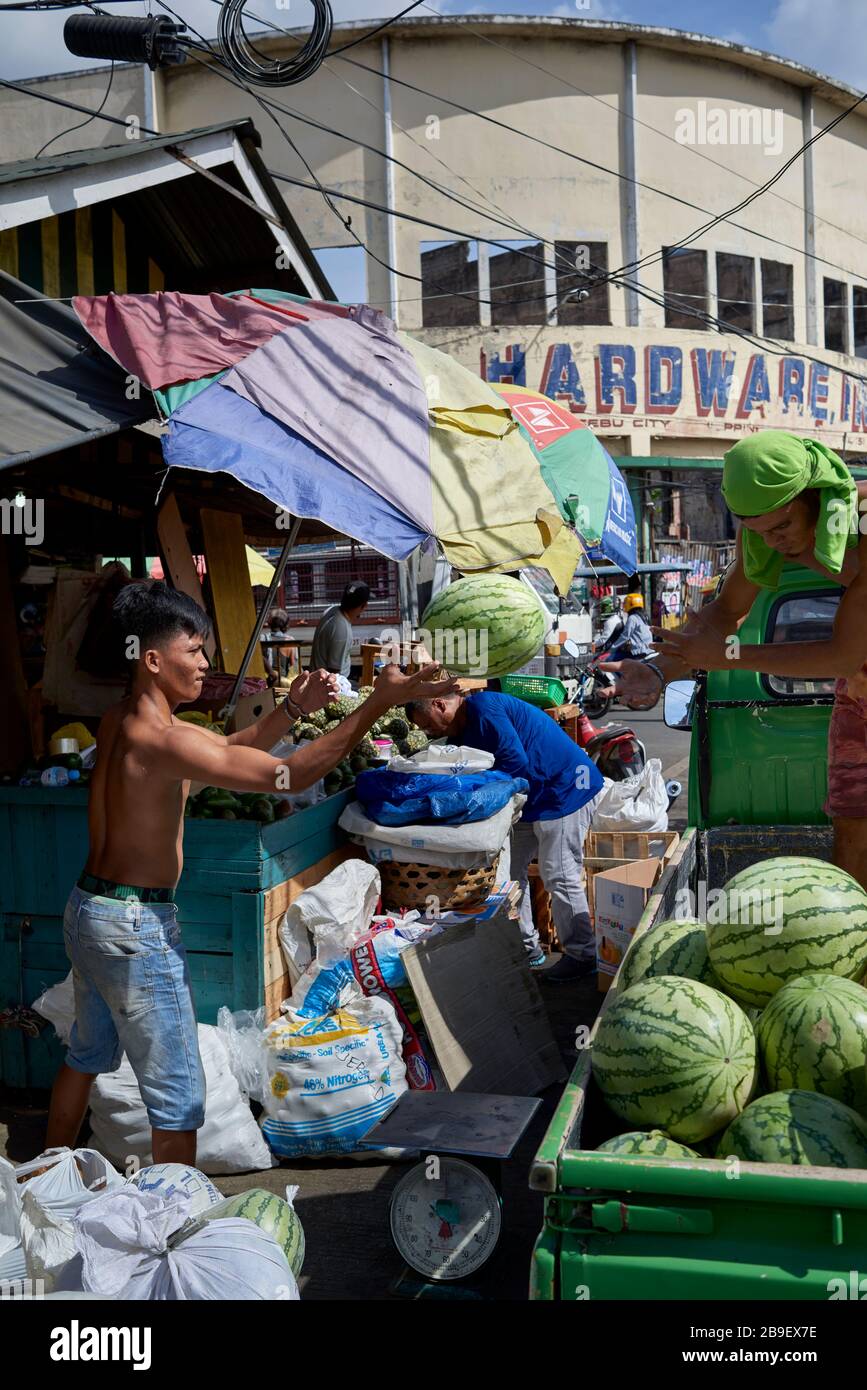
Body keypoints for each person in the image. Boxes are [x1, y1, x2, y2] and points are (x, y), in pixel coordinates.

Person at [45, 580, 456, 1164]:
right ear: (154, 659)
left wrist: (291, 710)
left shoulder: (122, 722)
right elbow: (289, 775)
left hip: (90, 910)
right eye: (195, 651)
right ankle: (176, 1224)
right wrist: (378, 704)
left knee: (86, 1056)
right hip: (135, 929)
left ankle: (47, 1173)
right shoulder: (162, 738)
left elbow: (230, 745)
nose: (205, 664)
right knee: (179, 1096)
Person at [602, 430, 867, 887]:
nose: (772, 542)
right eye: (757, 530)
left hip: (853, 664)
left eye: (780, 528)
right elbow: (725, 613)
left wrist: (731, 657)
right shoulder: (765, 529)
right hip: (859, 693)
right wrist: (657, 670)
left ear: (811, 498)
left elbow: (843, 655)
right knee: (852, 826)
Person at [408, 689, 604, 981]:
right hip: (530, 798)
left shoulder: (485, 708)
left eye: (427, 723)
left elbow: (515, 761)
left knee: (558, 873)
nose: (428, 731)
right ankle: (527, 950)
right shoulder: (458, 731)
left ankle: (583, 955)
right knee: (509, 875)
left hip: (564, 788)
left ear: (439, 704)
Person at [309, 581, 370, 678]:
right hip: (329, 685)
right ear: (364, 606)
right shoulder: (342, 630)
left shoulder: (331, 610)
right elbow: (333, 673)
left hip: (318, 679)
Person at [609, 592, 654, 659]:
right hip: (649, 649)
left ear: (630, 604)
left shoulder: (632, 618)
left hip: (639, 652)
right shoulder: (644, 616)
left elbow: (625, 636)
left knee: (614, 658)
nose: (624, 605)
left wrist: (612, 648)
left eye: (625, 603)